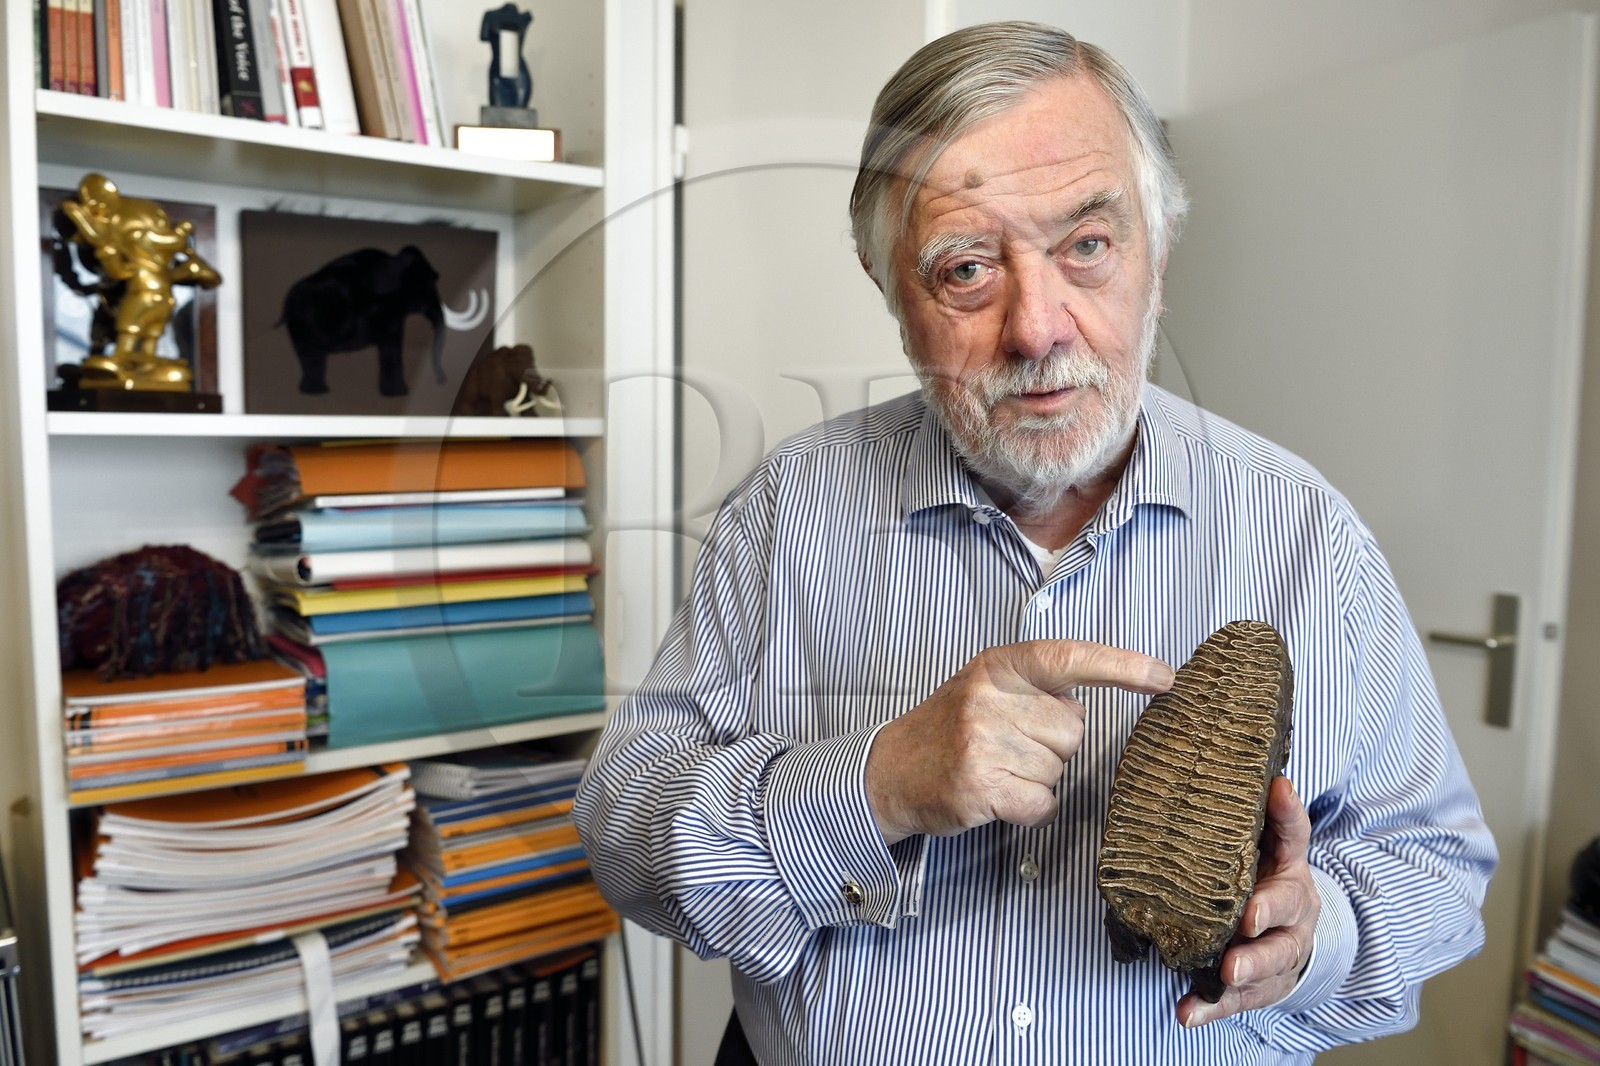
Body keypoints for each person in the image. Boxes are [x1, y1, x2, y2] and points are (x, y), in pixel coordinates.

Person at [573, 20, 1496, 1065]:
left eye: (1086, 245)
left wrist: (1318, 932)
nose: (1039, 326)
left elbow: (1435, 864)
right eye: (966, 268)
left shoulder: (1307, 536)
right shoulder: (788, 508)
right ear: (889, 293)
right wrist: (873, 785)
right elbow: (620, 833)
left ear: (1160, 244)